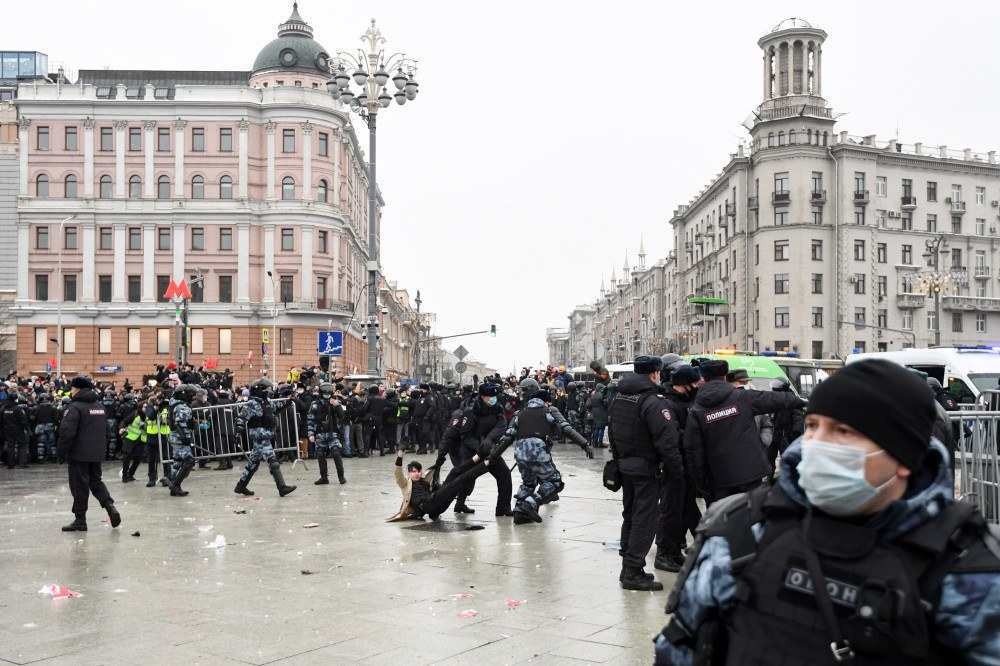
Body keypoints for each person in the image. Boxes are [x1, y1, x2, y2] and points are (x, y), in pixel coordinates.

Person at [655, 359, 1000, 665]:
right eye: (812, 426)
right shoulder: (741, 531)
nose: (816, 445)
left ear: (904, 455)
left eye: (843, 431)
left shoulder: (963, 569)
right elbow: (681, 648)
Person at [684, 359, 804, 504]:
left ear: (703, 378)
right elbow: (775, 399)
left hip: (718, 481)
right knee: (751, 521)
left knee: (724, 523)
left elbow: (693, 451)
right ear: (724, 376)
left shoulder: (697, 410)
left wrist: (703, 484)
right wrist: (802, 401)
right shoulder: (742, 398)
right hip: (750, 476)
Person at [608, 355, 681, 591]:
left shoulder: (619, 396)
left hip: (625, 465)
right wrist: (677, 471)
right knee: (645, 519)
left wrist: (619, 461)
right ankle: (633, 570)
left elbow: (613, 432)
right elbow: (667, 442)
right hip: (646, 469)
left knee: (630, 514)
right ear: (654, 374)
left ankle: (627, 563)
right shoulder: (653, 401)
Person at [490, 380, 593, 524]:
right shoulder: (550, 410)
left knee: (528, 483)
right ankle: (529, 504)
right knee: (555, 482)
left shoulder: (519, 413)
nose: (521, 394)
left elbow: (507, 437)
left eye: (524, 391)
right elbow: (566, 429)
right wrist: (584, 443)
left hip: (520, 452)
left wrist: (493, 455)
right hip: (538, 451)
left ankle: (520, 511)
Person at [57, 376, 121, 532]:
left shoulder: (75, 407)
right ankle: (109, 505)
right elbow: (106, 430)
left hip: (79, 454)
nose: (70, 391)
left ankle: (80, 520)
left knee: (79, 487)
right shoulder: (99, 406)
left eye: (72, 388)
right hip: (96, 453)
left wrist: (61, 452)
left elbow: (67, 432)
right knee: (96, 482)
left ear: (77, 389)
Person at [655, 364, 702, 573]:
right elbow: (670, 438)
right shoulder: (669, 405)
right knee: (670, 511)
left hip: (687, 465)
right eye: (694, 383)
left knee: (683, 511)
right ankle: (664, 554)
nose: (697, 385)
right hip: (675, 466)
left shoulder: (687, 402)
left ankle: (674, 552)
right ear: (684, 385)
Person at [234, 378, 297, 497]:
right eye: (266, 389)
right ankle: (282, 487)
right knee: (273, 461)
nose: (268, 392)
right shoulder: (251, 404)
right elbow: (242, 418)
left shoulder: (266, 401)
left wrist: (288, 402)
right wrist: (238, 432)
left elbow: (276, 408)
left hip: (266, 435)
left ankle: (240, 486)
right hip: (260, 436)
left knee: (253, 463)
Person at [307, 382, 347, 485]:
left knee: (336, 453)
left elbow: (342, 416)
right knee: (320, 455)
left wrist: (337, 406)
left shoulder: (335, 402)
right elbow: (310, 419)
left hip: (332, 433)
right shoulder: (314, 404)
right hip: (320, 433)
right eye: (325, 393)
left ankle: (341, 477)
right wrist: (311, 433)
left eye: (328, 393)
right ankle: (324, 477)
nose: (326, 395)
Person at [165, 384, 198, 497]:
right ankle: (175, 485)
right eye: (191, 394)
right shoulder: (181, 406)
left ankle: (173, 488)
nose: (192, 397)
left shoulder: (175, 403)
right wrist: (185, 437)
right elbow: (179, 423)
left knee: (178, 462)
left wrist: (191, 423)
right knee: (189, 461)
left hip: (175, 437)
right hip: (180, 438)